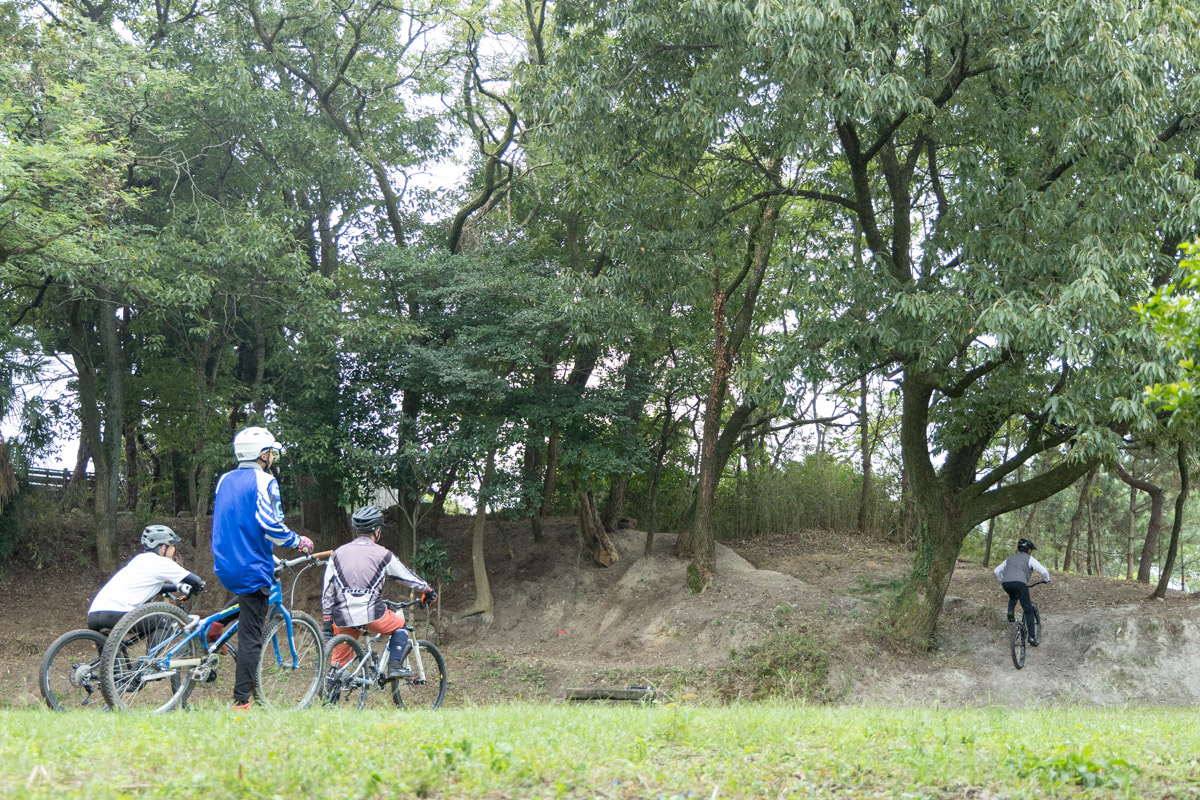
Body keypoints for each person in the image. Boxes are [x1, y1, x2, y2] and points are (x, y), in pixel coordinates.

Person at [212, 426, 314, 710]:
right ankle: (241, 702)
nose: (272, 457)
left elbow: (237, 522)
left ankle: (217, 624)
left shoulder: (224, 480)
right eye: (271, 452)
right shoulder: (265, 481)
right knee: (252, 637)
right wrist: (298, 541)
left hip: (224, 561)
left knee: (251, 597)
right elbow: (270, 525)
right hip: (250, 564)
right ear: (262, 454)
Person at [322, 505, 435, 679]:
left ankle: (331, 700)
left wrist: (327, 620)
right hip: (372, 614)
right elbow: (406, 577)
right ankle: (395, 666)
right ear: (376, 530)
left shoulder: (337, 554)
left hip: (343, 616)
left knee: (338, 666)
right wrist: (427, 589)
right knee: (401, 625)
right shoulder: (383, 554)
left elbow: (328, 590)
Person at [87, 525, 205, 633]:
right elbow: (195, 580)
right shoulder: (162, 562)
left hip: (94, 614)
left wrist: (178, 586)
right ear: (163, 547)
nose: (174, 549)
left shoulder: (138, 560)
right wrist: (198, 586)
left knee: (112, 655)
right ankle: (154, 657)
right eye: (172, 545)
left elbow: (152, 585)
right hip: (117, 613)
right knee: (163, 621)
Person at [994, 537, 1050, 646]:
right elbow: (1044, 571)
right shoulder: (1029, 558)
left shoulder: (1010, 558)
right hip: (1020, 583)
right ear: (1029, 550)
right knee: (1028, 609)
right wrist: (1047, 579)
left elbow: (996, 571)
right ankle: (1032, 638)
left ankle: (1011, 612)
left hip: (1006, 583)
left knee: (1013, 596)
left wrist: (1002, 579)